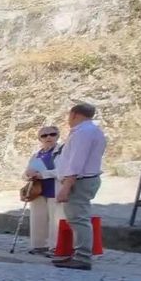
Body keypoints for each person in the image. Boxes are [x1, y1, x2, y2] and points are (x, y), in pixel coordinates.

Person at [54, 103, 107, 270]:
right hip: (85, 179)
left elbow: (77, 161)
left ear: (74, 114)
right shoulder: (93, 131)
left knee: (78, 219)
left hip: (80, 181)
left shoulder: (83, 133)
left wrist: (66, 186)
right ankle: (78, 254)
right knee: (77, 218)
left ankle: (82, 257)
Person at [24, 125, 63, 255]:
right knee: (38, 217)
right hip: (38, 190)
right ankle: (39, 245)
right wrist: (28, 175)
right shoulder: (37, 155)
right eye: (44, 135)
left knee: (55, 219)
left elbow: (63, 171)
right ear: (39, 139)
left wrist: (44, 174)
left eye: (52, 134)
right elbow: (26, 173)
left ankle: (54, 246)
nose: (48, 137)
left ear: (57, 136)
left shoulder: (62, 152)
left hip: (55, 188)